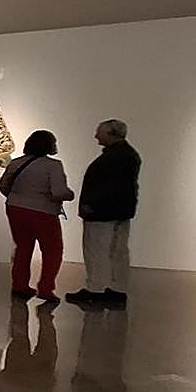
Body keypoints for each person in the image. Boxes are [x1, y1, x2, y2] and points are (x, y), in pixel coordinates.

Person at [66, 119, 142, 307]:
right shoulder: (129, 155)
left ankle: (96, 289)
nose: (95, 136)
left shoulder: (112, 158)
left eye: (99, 132)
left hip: (102, 212)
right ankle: (116, 289)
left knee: (97, 250)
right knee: (117, 251)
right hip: (121, 211)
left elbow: (107, 187)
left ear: (111, 134)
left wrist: (91, 204)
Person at [0, 130, 74, 303]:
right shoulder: (53, 165)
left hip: (15, 208)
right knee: (52, 250)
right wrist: (70, 195)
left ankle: (19, 285)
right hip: (43, 211)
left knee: (23, 248)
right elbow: (58, 191)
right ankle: (46, 288)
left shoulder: (16, 163)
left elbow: (3, 186)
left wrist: (17, 197)